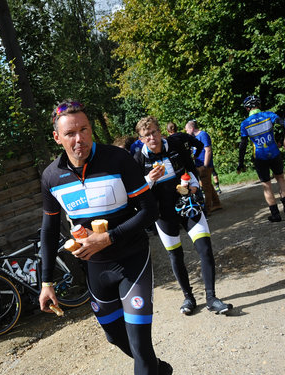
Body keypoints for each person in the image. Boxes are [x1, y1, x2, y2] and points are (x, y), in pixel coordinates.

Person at [39, 100, 172, 375]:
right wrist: (46, 282)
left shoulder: (117, 159)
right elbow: (49, 231)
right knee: (115, 338)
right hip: (96, 269)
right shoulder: (51, 177)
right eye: (71, 134)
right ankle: (161, 370)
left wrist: (108, 238)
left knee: (141, 349)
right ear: (57, 138)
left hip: (132, 260)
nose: (80, 139)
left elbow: (149, 211)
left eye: (84, 130)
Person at [134, 116, 232, 316]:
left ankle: (211, 298)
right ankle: (188, 297)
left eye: (154, 132)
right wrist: (149, 180)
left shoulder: (176, 145)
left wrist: (194, 186)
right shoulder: (138, 159)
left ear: (160, 131)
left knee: (204, 248)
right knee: (175, 256)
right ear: (141, 139)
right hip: (163, 214)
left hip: (187, 205)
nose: (152, 138)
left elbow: (190, 169)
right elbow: (136, 192)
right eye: (146, 135)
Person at [238, 95, 285, 222]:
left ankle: (275, 215)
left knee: (266, 185)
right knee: (280, 178)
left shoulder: (245, 124)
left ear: (247, 108)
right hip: (274, 152)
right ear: (259, 105)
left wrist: (240, 162)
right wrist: (281, 139)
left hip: (260, 157)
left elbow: (243, 145)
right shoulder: (269, 115)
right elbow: (283, 123)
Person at [185, 120, 222, 214]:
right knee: (208, 185)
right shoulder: (195, 137)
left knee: (206, 188)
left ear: (192, 128)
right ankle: (217, 203)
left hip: (204, 166)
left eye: (187, 130)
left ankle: (207, 209)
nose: (186, 132)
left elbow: (208, 150)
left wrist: (205, 165)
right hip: (199, 165)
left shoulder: (203, 135)